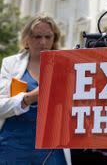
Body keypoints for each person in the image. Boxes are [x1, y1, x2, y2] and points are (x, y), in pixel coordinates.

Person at [0, 15, 69, 164]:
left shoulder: (66, 65)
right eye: (37, 37)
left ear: (54, 38)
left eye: (48, 37)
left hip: (52, 149)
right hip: (13, 147)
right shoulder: (10, 64)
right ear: (27, 39)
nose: (43, 42)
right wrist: (30, 97)